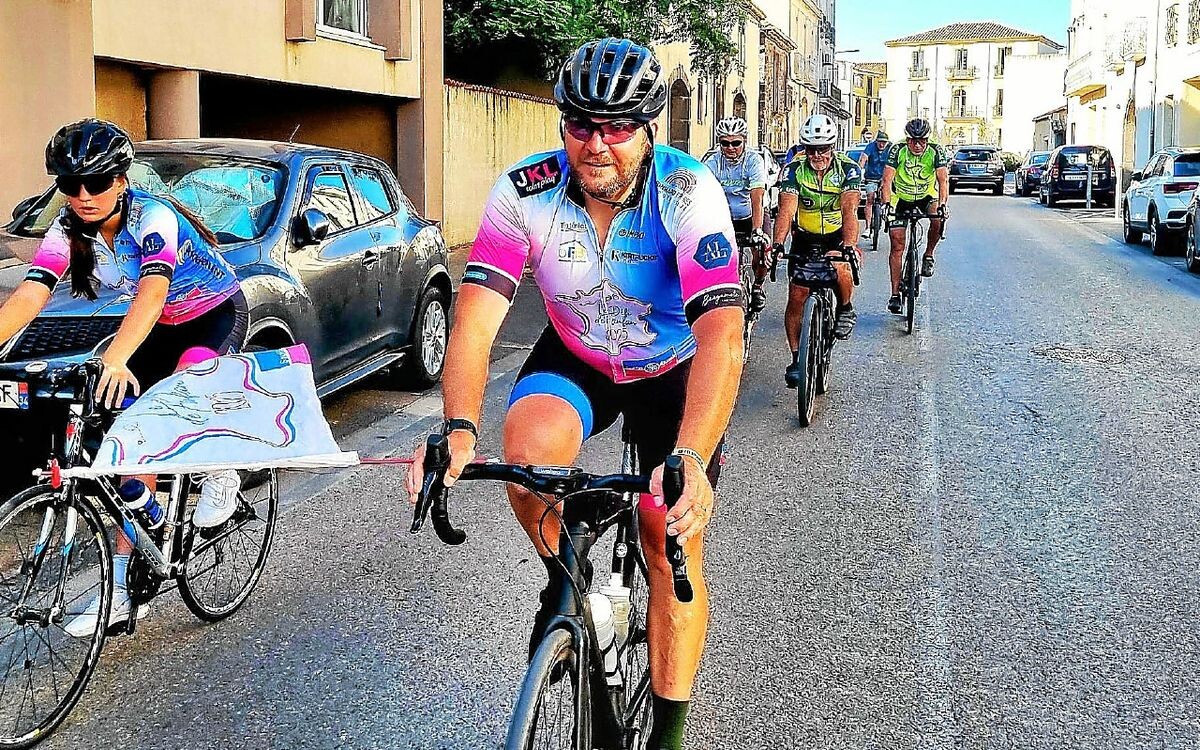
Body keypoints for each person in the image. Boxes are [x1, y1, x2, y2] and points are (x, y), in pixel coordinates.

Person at [404, 38, 744, 750]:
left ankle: (668, 738)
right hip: (579, 351)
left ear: (649, 128)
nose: (596, 145)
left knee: (667, 535)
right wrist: (459, 427)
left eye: (617, 127)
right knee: (524, 464)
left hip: (670, 364)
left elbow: (721, 336)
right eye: (580, 124)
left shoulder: (688, 193)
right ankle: (572, 585)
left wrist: (689, 453)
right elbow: (473, 323)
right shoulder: (524, 191)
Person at [0, 119, 248, 635]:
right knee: (128, 446)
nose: (83, 196)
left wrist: (115, 358)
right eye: (70, 186)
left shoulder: (153, 218)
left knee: (188, 386)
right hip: (156, 327)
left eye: (95, 182)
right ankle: (126, 581)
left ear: (121, 178)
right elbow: (30, 294)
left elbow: (153, 294)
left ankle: (221, 467)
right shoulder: (68, 229)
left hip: (212, 314)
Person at [771, 114, 862, 386]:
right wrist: (777, 245)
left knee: (841, 268)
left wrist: (848, 246)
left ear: (832, 147)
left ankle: (845, 308)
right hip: (806, 236)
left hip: (836, 235)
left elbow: (849, 209)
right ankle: (797, 357)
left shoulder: (848, 169)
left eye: (823, 148)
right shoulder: (793, 170)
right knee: (797, 295)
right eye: (811, 148)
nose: (817, 154)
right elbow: (786, 210)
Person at [880, 118, 949, 314]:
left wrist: (943, 204)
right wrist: (886, 204)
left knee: (937, 216)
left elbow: (943, 181)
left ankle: (928, 254)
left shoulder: (936, 151)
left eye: (922, 141)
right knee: (897, 243)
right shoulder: (897, 149)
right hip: (900, 197)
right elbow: (887, 180)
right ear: (907, 138)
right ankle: (894, 294)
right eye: (913, 141)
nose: (917, 145)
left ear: (927, 140)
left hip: (926, 195)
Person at [703, 116, 770, 311]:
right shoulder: (713, 161)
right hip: (724, 218)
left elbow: (757, 196)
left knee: (762, 254)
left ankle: (757, 287)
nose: (730, 148)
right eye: (725, 143)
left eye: (736, 143)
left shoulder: (753, 160)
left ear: (744, 141)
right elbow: (704, 194)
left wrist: (757, 230)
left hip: (751, 215)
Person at [858, 130, 890, 239]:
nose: (882, 144)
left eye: (884, 142)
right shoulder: (870, 147)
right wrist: (859, 171)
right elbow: (863, 159)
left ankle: (884, 214)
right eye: (880, 142)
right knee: (870, 199)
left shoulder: (890, 148)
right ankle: (867, 228)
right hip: (871, 177)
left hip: (885, 178)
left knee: (885, 198)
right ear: (876, 141)